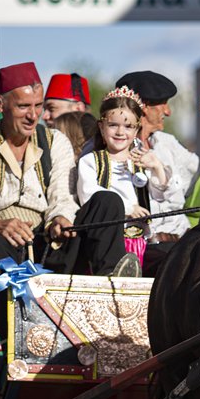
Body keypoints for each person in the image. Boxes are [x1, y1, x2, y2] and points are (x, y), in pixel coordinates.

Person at [0, 62, 137, 343]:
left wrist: (60, 218)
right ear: (0, 104)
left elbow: (63, 197)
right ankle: (20, 341)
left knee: (107, 202)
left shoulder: (55, 141)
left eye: (38, 106)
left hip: (47, 247)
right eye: (23, 107)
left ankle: (112, 305)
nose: (33, 116)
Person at [77, 87, 179, 275]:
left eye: (128, 126)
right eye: (113, 125)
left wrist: (157, 167)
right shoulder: (90, 161)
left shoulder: (142, 161)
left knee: (177, 258)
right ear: (101, 127)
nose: (120, 132)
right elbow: (89, 196)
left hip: (140, 244)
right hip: (106, 247)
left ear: (137, 129)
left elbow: (164, 197)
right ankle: (112, 272)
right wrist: (128, 208)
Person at [115, 71, 199, 242]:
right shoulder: (109, 148)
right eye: (164, 104)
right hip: (139, 245)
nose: (168, 112)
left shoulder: (167, 142)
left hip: (182, 239)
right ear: (144, 106)